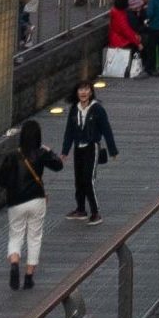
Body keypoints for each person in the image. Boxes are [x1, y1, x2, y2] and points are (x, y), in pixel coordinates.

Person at [0, 117, 64, 289]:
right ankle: (29, 276)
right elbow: (58, 165)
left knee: (15, 235)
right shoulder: (41, 153)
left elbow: (1, 180)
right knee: (34, 236)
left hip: (16, 201)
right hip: (37, 199)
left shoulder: (12, 156)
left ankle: (15, 262)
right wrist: (49, 151)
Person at [63, 79, 118, 222]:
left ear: (91, 92)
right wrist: (65, 151)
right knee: (78, 180)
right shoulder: (74, 109)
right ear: (77, 92)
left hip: (91, 147)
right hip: (78, 148)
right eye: (81, 89)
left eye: (86, 89)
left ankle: (95, 212)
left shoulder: (97, 109)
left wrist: (112, 150)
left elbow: (106, 130)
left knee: (88, 179)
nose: (83, 92)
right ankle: (81, 209)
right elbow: (69, 131)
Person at [106, 0, 142, 75]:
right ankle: (133, 68)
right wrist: (138, 43)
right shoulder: (120, 16)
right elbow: (127, 31)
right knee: (137, 47)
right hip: (120, 41)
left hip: (115, 38)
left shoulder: (115, 11)